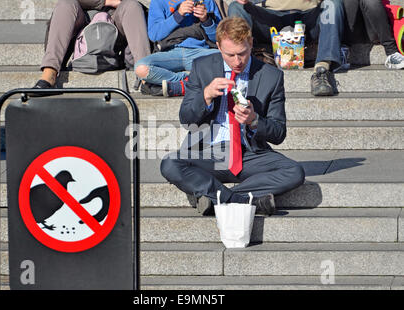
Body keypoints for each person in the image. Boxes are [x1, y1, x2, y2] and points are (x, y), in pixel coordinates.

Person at [160, 17, 305, 216]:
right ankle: (241, 200)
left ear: (251, 43)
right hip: (209, 152)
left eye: (242, 53)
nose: (237, 61)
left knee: (294, 172)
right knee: (170, 163)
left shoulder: (271, 76)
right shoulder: (202, 67)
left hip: (250, 154)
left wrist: (254, 120)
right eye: (230, 55)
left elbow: (279, 132)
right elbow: (186, 120)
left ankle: (217, 199)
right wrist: (206, 96)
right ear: (218, 47)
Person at [228, 0, 345, 96]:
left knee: (332, 3)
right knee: (237, 7)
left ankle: (322, 69)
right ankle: (242, 74)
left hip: (308, 17)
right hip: (266, 16)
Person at [33, 0, 151, 90]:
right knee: (66, 4)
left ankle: (146, 77)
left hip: (113, 26)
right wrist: (105, 2)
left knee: (132, 6)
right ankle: (49, 73)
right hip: (81, 24)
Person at [134, 0, 222, 97]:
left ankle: (180, 85)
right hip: (169, 52)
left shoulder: (207, 1)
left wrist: (206, 20)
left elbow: (219, 38)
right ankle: (186, 81)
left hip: (199, 52)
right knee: (141, 68)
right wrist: (178, 15)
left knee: (227, 60)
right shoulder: (159, 2)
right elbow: (154, 35)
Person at [343, 0, 404, 69]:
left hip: (374, 27)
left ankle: (392, 52)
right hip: (350, 30)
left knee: (371, 1)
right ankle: (343, 52)